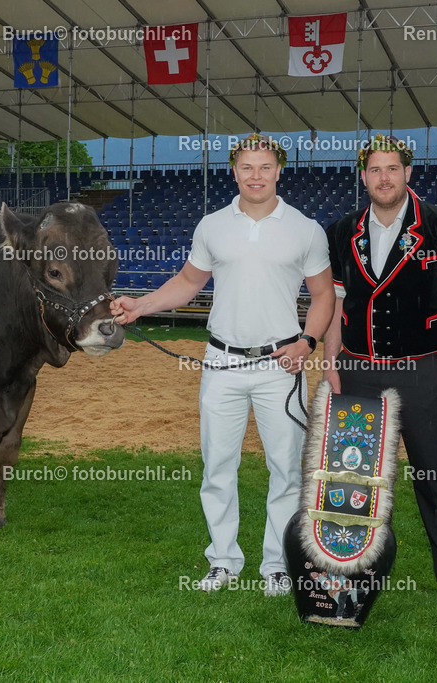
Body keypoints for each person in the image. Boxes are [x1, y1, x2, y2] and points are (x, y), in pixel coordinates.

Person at [110, 134, 334, 597]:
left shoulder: (306, 229)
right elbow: (189, 282)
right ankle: (223, 561)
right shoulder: (212, 226)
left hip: (281, 366)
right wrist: (141, 306)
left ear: (279, 171)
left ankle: (277, 564)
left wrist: (308, 342)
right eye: (247, 167)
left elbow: (324, 294)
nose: (256, 175)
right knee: (217, 468)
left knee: (288, 470)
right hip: (221, 363)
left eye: (265, 166)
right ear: (234, 171)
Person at [322, 134, 437, 618]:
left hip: (425, 373)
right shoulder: (341, 231)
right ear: (363, 177)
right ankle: (353, 579)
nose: (384, 178)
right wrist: (332, 363)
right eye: (374, 170)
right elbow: (335, 304)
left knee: (436, 479)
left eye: (392, 169)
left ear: (408, 173)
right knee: (355, 481)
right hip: (358, 372)